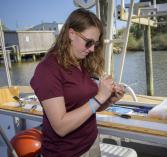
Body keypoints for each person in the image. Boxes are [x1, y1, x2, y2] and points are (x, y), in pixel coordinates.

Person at [30, 8, 125, 157]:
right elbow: (61, 126)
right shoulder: (47, 70)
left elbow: (88, 108)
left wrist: (109, 99)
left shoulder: (81, 64)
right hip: (66, 152)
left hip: (91, 143)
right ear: (71, 33)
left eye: (96, 44)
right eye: (89, 42)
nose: (93, 49)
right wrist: (100, 97)